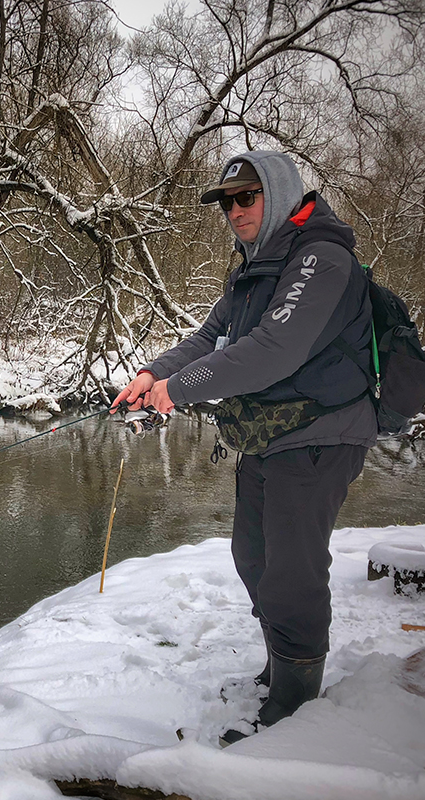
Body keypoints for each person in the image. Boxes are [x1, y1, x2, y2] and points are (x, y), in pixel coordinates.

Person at [110, 151, 376, 746]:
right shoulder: (254, 269)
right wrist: (154, 375)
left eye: (245, 197)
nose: (234, 211)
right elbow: (211, 337)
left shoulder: (322, 259)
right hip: (270, 434)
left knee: (291, 570)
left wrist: (179, 390)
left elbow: (274, 350)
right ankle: (279, 666)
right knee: (252, 555)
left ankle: (296, 704)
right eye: (227, 202)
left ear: (277, 193)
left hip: (322, 433)